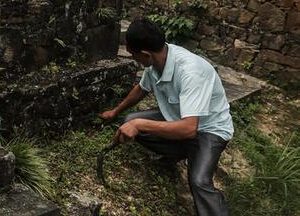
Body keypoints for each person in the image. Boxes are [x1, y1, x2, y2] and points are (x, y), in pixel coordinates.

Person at [99, 18, 233, 216]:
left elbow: (189, 129)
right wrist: (116, 112)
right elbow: (141, 89)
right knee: (129, 122)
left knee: (199, 181)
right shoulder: (155, 62)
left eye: (134, 56)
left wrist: (140, 123)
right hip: (178, 119)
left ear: (145, 54)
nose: (135, 60)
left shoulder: (191, 71)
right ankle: (180, 151)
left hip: (209, 130)